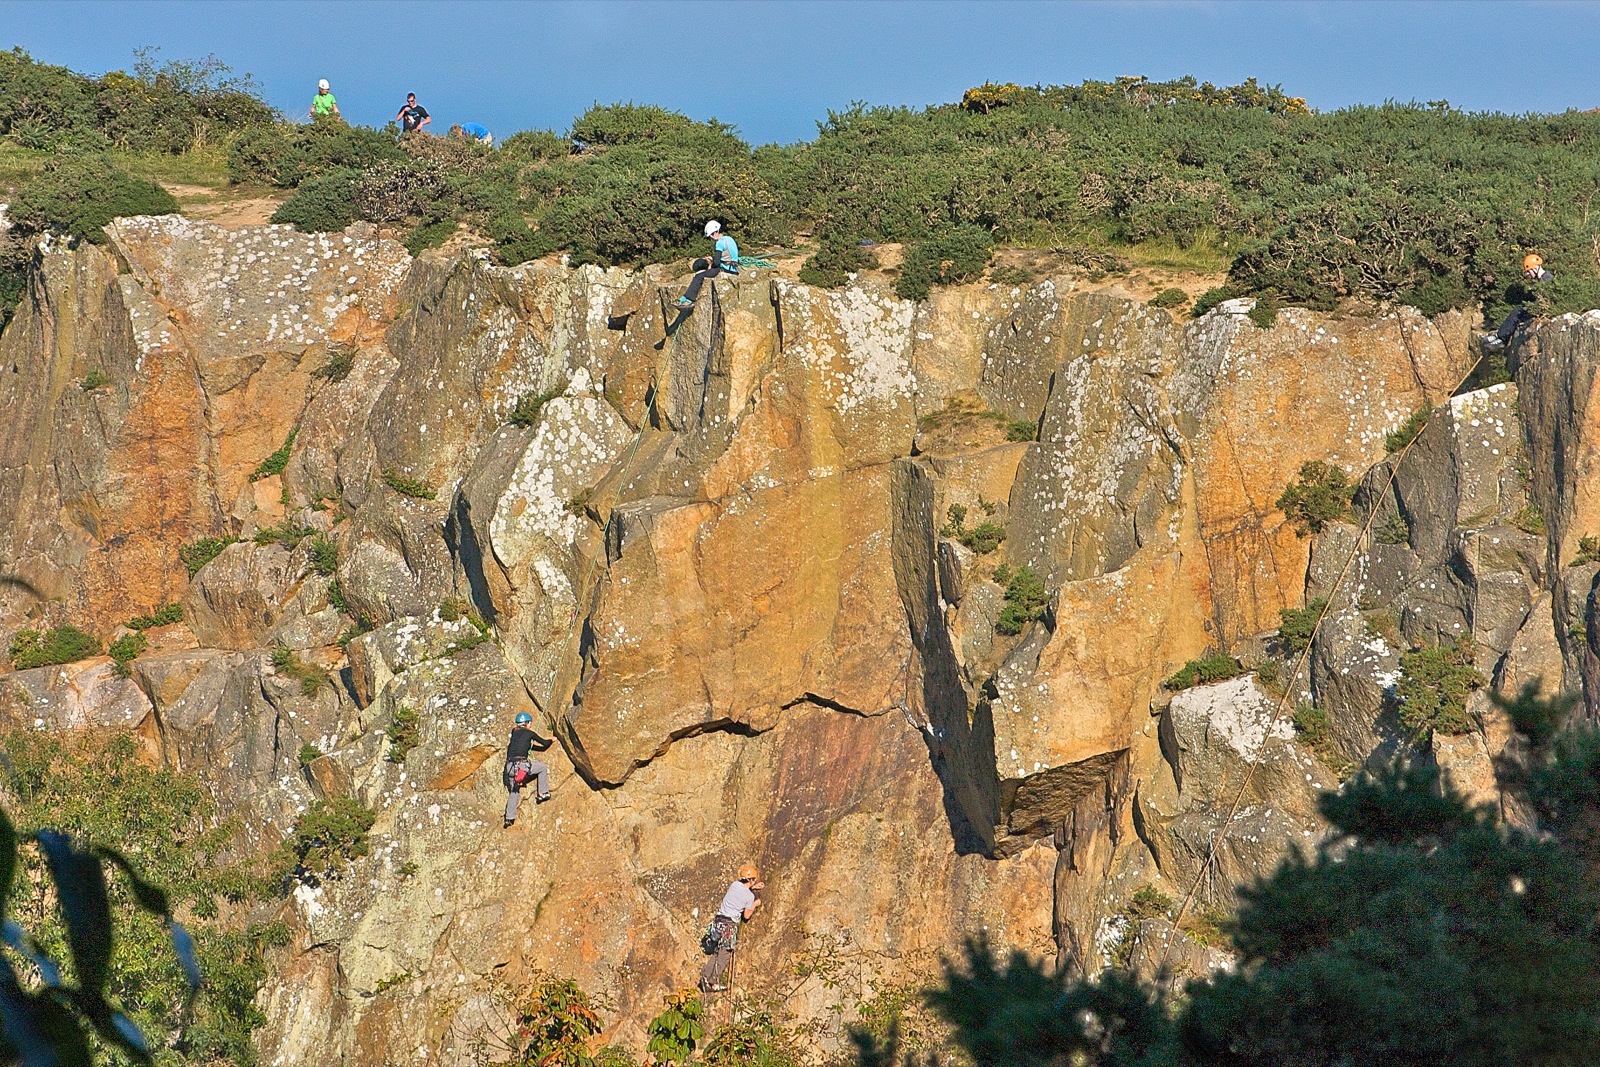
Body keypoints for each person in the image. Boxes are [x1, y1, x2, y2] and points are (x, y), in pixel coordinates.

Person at [698, 864, 764, 993]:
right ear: (751, 880)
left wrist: (754, 887)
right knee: (724, 955)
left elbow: (742, 888)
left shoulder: (734, 885)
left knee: (718, 952)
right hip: (729, 926)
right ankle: (711, 980)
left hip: (718, 923)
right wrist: (755, 903)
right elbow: (746, 915)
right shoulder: (749, 897)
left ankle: (708, 979)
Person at [1483, 253, 1554, 351]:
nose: (1528, 274)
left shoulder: (1546, 279)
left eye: (1529, 272)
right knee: (1518, 311)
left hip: (1542, 311)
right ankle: (1499, 337)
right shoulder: (1543, 278)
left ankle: (1501, 339)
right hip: (1539, 309)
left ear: (1535, 268)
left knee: (1517, 312)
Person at [675, 221, 739, 309]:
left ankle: (688, 299)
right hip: (732, 267)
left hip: (726, 269)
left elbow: (716, 263)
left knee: (698, 276)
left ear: (714, 233)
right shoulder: (729, 239)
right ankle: (685, 299)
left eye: (711, 236)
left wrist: (710, 265)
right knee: (701, 263)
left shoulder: (719, 243)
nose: (711, 238)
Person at [503, 711, 552, 827]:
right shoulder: (529, 733)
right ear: (527, 723)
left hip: (509, 767)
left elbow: (524, 745)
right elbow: (544, 744)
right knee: (542, 768)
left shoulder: (514, 733)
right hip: (521, 766)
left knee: (514, 791)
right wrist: (551, 740)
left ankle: (509, 818)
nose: (531, 725)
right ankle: (543, 793)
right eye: (530, 723)